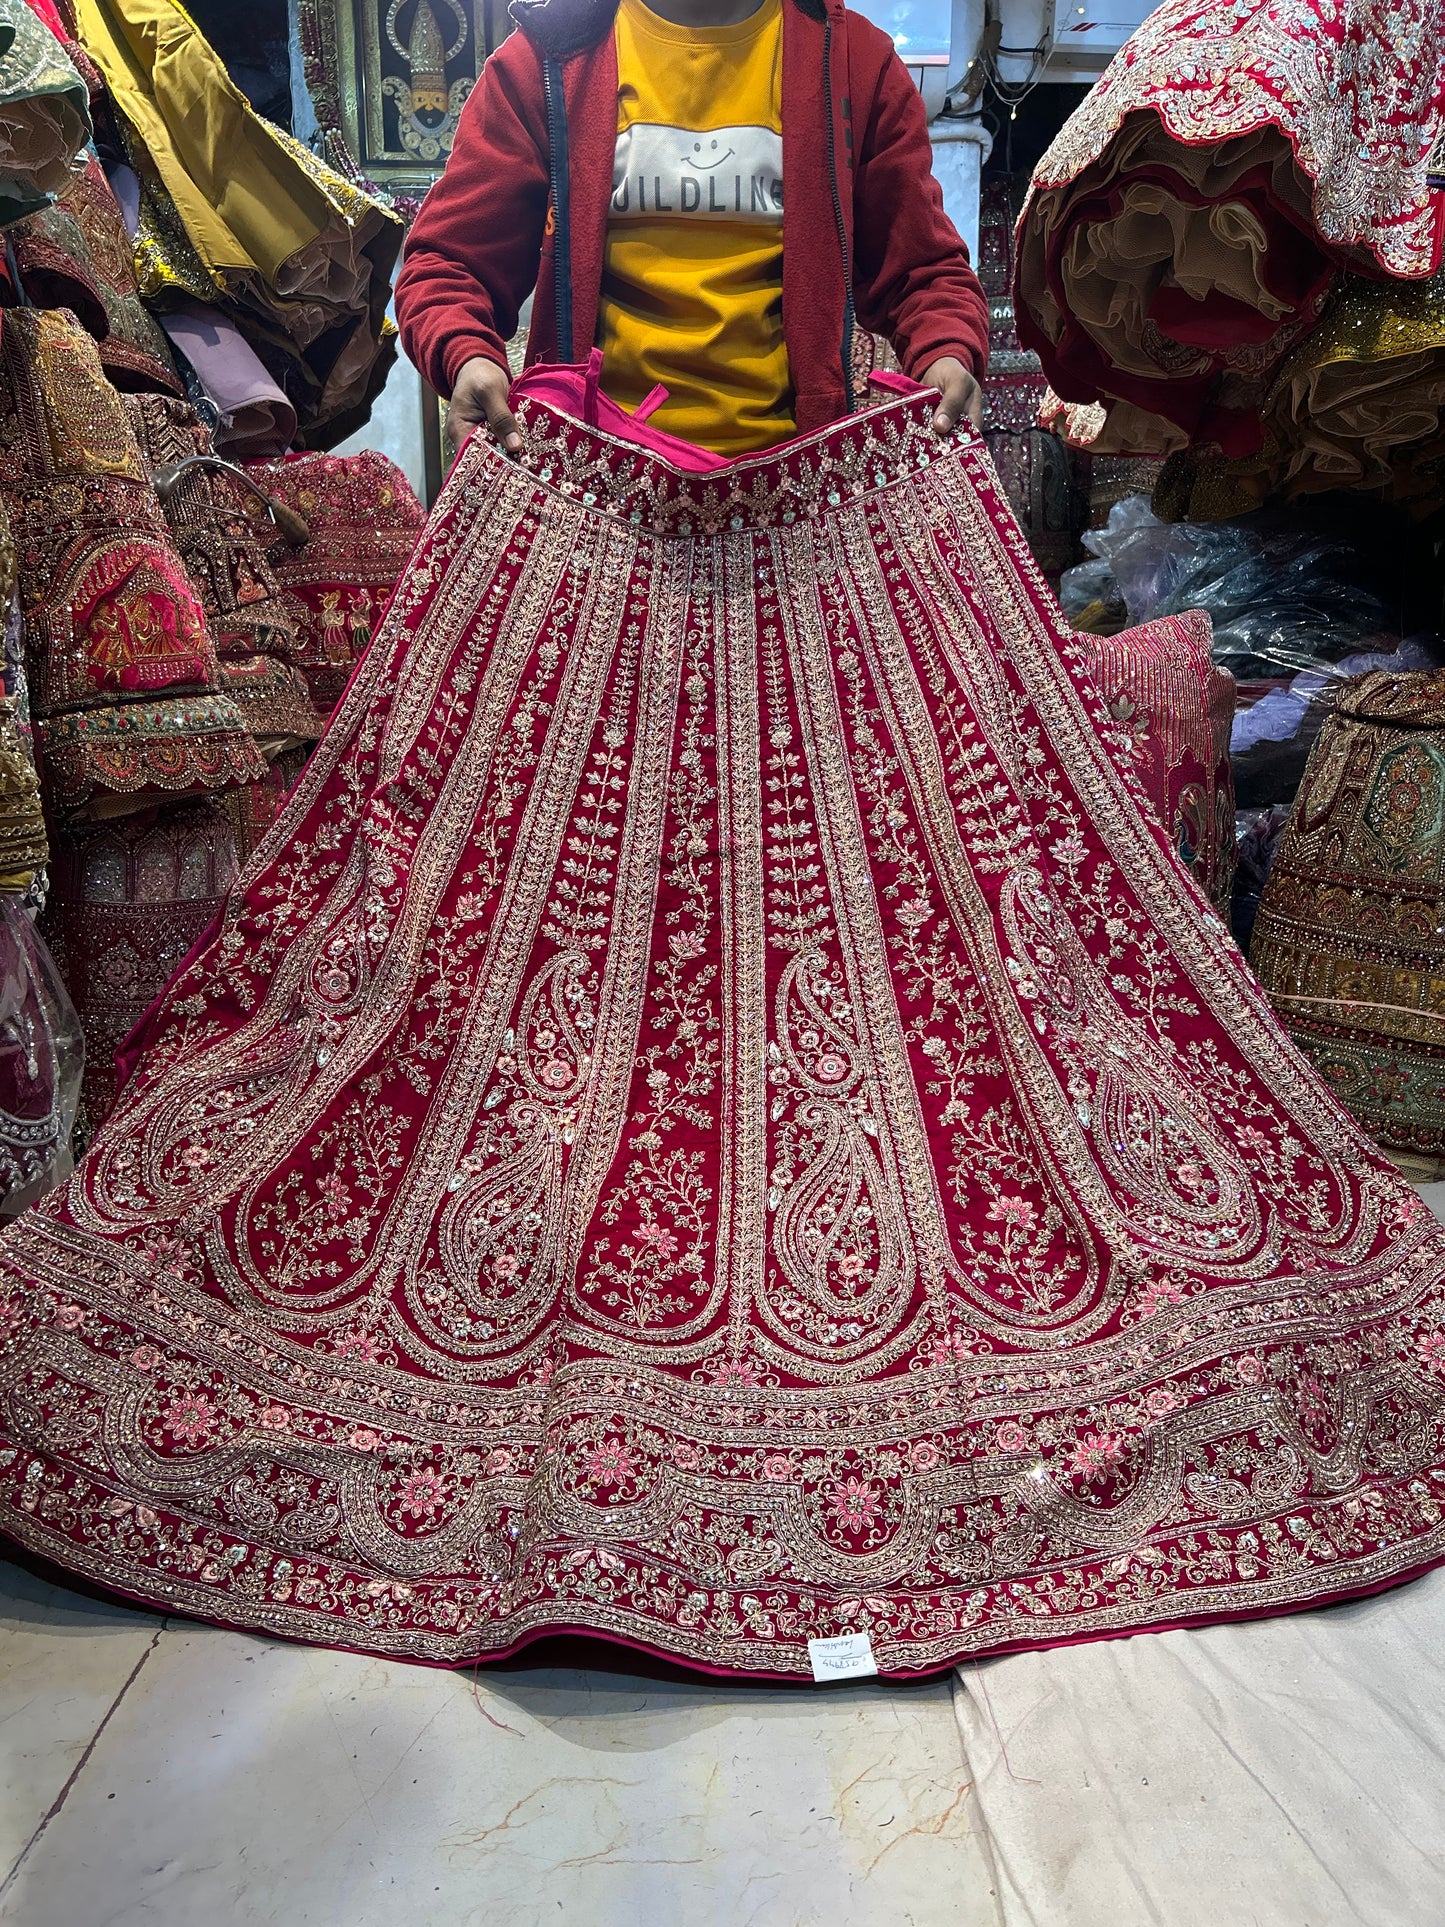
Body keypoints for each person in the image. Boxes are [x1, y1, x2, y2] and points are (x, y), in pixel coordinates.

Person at [394, 0, 990, 459]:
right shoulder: (542, 64)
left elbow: (920, 271)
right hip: (590, 486)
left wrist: (945, 350)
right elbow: (449, 262)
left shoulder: (859, 64)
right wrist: (467, 356)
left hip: (798, 490)